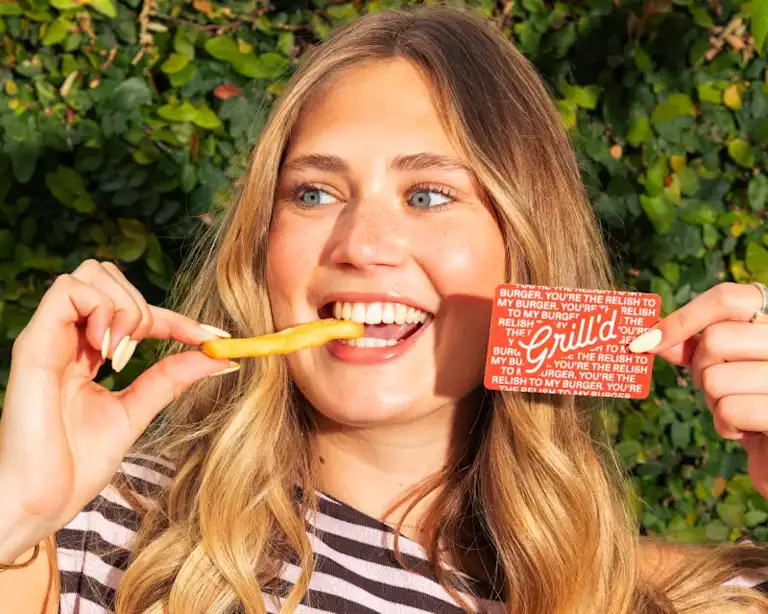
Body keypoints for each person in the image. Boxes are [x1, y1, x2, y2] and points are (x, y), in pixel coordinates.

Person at [2, 6, 768, 614]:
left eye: (427, 195)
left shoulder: (667, 598)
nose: (362, 245)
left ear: (525, 251)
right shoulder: (100, 536)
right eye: (313, 193)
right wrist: (15, 514)